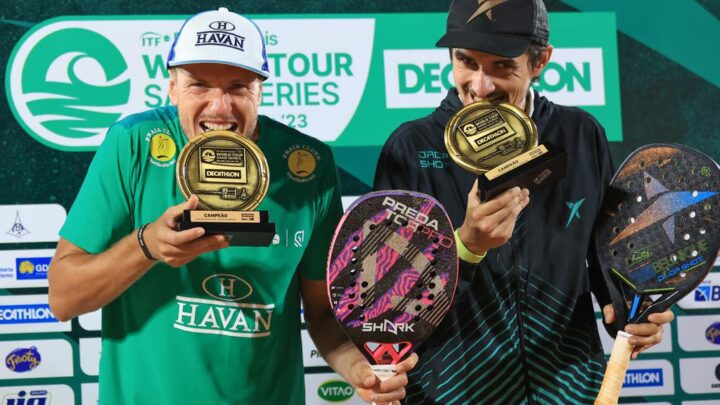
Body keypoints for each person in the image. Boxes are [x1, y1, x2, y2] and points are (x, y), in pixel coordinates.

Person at [48, 8, 414, 404]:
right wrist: (147, 246)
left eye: (238, 87)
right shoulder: (133, 143)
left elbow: (324, 315)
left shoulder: (308, 164)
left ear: (261, 90)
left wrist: (358, 368)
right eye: (199, 85)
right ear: (172, 87)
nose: (219, 107)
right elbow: (64, 298)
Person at [373, 0, 673, 403]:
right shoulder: (410, 149)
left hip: (571, 389)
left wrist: (629, 309)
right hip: (453, 393)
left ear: (540, 61)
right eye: (466, 61)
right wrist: (465, 247)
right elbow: (386, 303)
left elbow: (606, 257)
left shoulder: (581, 134)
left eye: (502, 66)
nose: (480, 86)